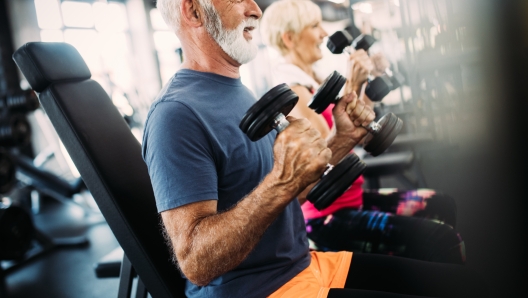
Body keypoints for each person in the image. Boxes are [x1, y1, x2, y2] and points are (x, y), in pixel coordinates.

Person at [143, 0, 486, 297]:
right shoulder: (175, 115)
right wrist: (280, 182)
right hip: (265, 291)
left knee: (463, 285)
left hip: (308, 265)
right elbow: (196, 263)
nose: (255, 10)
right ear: (193, 11)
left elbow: (292, 193)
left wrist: (341, 140)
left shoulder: (238, 91)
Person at [261, 0, 464, 264]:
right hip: (327, 218)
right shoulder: (292, 92)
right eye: (314, 26)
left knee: (441, 204)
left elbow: (361, 133)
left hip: (353, 199)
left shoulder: (315, 81)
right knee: (443, 240)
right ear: (289, 38)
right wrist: (353, 85)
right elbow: (328, 153)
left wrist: (368, 82)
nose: (323, 33)